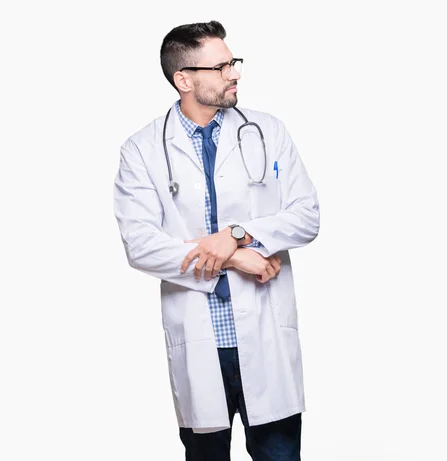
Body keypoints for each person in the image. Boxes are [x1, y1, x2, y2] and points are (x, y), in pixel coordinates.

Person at [113, 20, 320, 461]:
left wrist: (238, 237)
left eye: (234, 63)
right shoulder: (143, 149)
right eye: (222, 66)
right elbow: (141, 245)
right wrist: (235, 259)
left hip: (266, 335)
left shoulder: (268, 131)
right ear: (183, 79)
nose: (235, 74)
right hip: (201, 339)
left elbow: (306, 216)